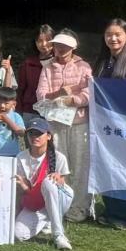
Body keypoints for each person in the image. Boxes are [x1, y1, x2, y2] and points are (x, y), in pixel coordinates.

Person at [94, 18, 126, 231]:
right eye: (109, 34)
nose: (113, 38)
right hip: (105, 126)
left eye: (117, 34)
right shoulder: (103, 61)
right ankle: (112, 211)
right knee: (109, 167)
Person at [35, 31, 93, 222]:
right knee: (58, 163)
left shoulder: (84, 66)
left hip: (79, 122)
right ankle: (59, 204)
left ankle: (79, 207)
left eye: (65, 46)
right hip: (55, 122)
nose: (60, 49)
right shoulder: (48, 67)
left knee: (80, 165)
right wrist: (59, 93)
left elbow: (89, 93)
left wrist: (72, 100)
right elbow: (41, 94)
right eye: (57, 45)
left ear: (73, 47)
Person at [14, 119, 73, 251]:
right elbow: (24, 192)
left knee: (48, 182)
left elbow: (62, 184)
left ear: (48, 136)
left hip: (60, 198)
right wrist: (25, 188)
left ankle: (58, 235)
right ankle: (47, 220)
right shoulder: (20, 157)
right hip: (36, 202)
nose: (35, 137)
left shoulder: (59, 157)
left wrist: (58, 179)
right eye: (31, 134)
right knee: (17, 234)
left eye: (39, 133)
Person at [17, 25, 55, 116]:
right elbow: (21, 90)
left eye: (48, 40)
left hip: (54, 111)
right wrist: (19, 111)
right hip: (30, 111)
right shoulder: (28, 63)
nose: (44, 44)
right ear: (35, 42)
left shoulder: (60, 63)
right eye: (40, 41)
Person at [0, 87, 25, 155]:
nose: (2, 106)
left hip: (12, 153)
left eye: (6, 103)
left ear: (14, 104)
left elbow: (21, 133)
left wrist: (5, 118)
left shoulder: (16, 116)